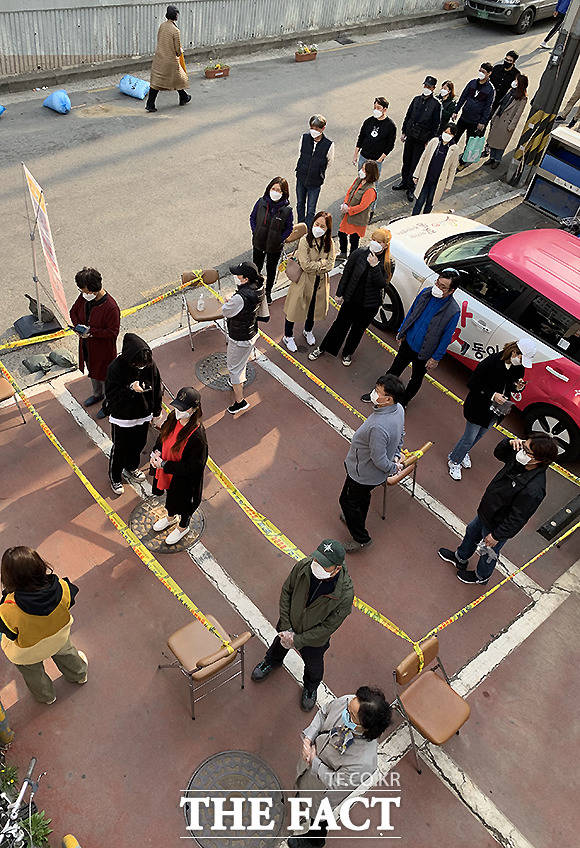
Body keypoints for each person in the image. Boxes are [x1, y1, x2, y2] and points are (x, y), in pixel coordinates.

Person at [438, 434, 559, 584]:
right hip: (487, 512)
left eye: (526, 450)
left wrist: (497, 535)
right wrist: (508, 443)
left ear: (539, 459)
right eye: (523, 445)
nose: (521, 451)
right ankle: (460, 557)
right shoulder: (519, 460)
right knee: (471, 532)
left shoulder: (534, 489)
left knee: (489, 553)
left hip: (497, 525)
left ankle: (481, 577)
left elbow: (518, 517)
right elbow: (499, 453)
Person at [251, 540, 354, 712]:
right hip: (289, 624)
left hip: (314, 640)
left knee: (314, 666)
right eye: (317, 560)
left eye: (324, 564)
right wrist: (286, 625)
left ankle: (310, 687)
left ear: (337, 568)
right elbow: (287, 591)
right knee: (279, 645)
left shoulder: (344, 595)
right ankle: (270, 661)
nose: (317, 565)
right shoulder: (304, 566)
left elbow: (328, 627)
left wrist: (298, 640)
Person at [287, 686, 392, 848]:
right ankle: (301, 801)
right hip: (309, 769)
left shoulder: (364, 762)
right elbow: (324, 713)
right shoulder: (350, 703)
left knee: (319, 819)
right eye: (350, 705)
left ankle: (314, 841)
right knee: (302, 788)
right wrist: (309, 737)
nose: (346, 710)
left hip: (322, 791)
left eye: (351, 715)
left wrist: (313, 761)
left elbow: (336, 782)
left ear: (367, 727)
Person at [0, 546, 88, 704]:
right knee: (67, 652)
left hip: (28, 652)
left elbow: (10, 634)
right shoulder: (63, 586)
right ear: (40, 566)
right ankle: (79, 674)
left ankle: (46, 696)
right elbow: (69, 602)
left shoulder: (6, 610)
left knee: (32, 672)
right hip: (58, 638)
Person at [361, 269, 460, 407]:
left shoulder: (453, 311)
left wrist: (436, 358)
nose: (438, 287)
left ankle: (402, 403)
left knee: (416, 379)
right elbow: (412, 312)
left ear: (451, 291)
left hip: (425, 352)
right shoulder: (426, 293)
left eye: (443, 287)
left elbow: (446, 337)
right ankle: (377, 395)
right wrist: (402, 331)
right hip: (409, 342)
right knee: (393, 371)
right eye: (438, 282)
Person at [447, 339, 535, 481]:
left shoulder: (519, 367)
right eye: (521, 358)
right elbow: (473, 383)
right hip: (479, 406)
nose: (521, 362)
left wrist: (518, 387)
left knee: (479, 435)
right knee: (469, 437)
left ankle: (463, 452)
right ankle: (454, 459)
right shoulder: (492, 362)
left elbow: (512, 385)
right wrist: (493, 395)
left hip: (496, 410)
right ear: (514, 352)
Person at [308, 228, 393, 367]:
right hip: (352, 299)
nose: (375, 243)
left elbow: (382, 284)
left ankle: (347, 353)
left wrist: (375, 266)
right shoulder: (359, 253)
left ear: (385, 245)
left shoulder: (388, 263)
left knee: (358, 330)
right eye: (373, 239)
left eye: (379, 242)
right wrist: (340, 293)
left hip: (369, 305)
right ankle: (324, 348)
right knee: (339, 325)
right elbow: (346, 274)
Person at [340, 375, 405, 553]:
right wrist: (397, 454)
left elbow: (379, 460)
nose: (374, 394)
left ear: (388, 399)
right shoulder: (398, 409)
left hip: (362, 473)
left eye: (378, 392)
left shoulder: (378, 426)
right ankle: (354, 517)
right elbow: (401, 434)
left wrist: (394, 468)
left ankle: (361, 537)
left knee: (346, 501)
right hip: (368, 474)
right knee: (362, 497)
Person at [105, 333, 163, 495]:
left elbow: (157, 388)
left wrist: (156, 412)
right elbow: (111, 397)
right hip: (122, 418)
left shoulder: (149, 365)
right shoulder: (115, 369)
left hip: (143, 414)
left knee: (139, 443)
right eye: (139, 365)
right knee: (120, 448)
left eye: (144, 365)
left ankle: (131, 467)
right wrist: (130, 389)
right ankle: (115, 476)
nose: (142, 368)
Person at [150, 386, 208, 545]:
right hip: (167, 470)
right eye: (177, 406)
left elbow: (194, 468)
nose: (178, 411)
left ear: (194, 409)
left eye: (183, 408)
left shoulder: (197, 436)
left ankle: (183, 527)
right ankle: (170, 518)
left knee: (184, 503)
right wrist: (155, 452)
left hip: (183, 479)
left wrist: (164, 464)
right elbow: (162, 437)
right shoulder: (172, 417)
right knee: (171, 496)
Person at [69, 267, 120, 419]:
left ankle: (109, 404)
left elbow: (113, 332)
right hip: (87, 347)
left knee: (107, 378)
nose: (83, 293)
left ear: (93, 290)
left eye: (84, 290)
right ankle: (97, 395)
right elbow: (73, 312)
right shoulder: (84, 298)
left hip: (103, 351)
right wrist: (79, 328)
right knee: (93, 372)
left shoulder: (111, 308)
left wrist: (91, 332)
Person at [283, 212, 336, 352]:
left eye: (322, 226)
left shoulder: (330, 243)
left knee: (313, 309)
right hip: (303, 281)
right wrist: (321, 265)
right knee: (293, 310)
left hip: (319, 283)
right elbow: (305, 265)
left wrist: (318, 265)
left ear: (327, 229)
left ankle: (308, 330)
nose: (318, 228)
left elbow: (331, 264)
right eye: (316, 224)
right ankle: (288, 336)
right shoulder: (305, 240)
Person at [222, 262, 268, 414]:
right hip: (252, 332)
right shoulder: (259, 287)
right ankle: (237, 382)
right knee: (240, 364)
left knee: (234, 369)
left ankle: (240, 402)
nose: (236, 276)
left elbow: (226, 311)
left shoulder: (240, 298)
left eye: (239, 275)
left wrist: (228, 299)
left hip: (240, 337)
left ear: (246, 279)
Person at [393, 75, 441, 203]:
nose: (426, 88)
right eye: (425, 85)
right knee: (406, 161)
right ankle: (404, 182)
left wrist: (429, 141)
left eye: (429, 86)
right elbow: (408, 116)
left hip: (422, 139)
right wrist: (404, 131)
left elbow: (436, 125)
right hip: (410, 136)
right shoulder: (416, 100)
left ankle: (411, 187)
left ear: (433, 88)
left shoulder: (436, 104)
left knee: (415, 164)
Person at [250, 177, 294, 303]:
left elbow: (289, 227)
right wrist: (255, 231)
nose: (275, 192)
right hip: (259, 242)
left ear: (283, 193)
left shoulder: (287, 210)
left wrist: (280, 239)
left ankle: (268, 292)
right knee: (256, 268)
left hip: (274, 247)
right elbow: (252, 217)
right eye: (273, 188)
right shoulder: (261, 202)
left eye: (278, 190)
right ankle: (255, 289)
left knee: (271, 270)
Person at [352, 97, 396, 217]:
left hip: (376, 161)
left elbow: (390, 145)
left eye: (379, 108)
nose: (375, 110)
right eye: (374, 107)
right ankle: (358, 204)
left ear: (385, 109)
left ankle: (370, 210)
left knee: (373, 186)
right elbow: (360, 138)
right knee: (361, 181)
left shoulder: (390, 125)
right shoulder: (368, 121)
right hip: (363, 157)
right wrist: (356, 154)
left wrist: (379, 160)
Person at [145, 5, 191, 112]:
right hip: (170, 61)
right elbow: (177, 49)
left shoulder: (162, 26)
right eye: (177, 14)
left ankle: (150, 104)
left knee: (156, 82)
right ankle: (183, 97)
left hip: (159, 59)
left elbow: (160, 41)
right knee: (179, 79)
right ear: (175, 15)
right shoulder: (175, 30)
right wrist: (180, 53)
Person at [295, 115, 335, 228]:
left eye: (317, 129)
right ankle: (300, 227)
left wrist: (318, 171)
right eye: (312, 128)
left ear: (323, 129)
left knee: (311, 209)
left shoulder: (329, 144)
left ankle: (307, 230)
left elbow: (329, 162)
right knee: (300, 205)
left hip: (315, 181)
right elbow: (300, 154)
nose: (314, 131)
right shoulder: (304, 138)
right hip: (301, 178)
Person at [412, 124, 460, 215]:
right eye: (445, 132)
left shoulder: (454, 148)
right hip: (426, 178)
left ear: (453, 135)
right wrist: (416, 174)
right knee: (419, 202)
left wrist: (448, 185)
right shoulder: (434, 141)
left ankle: (425, 220)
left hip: (437, 182)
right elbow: (423, 157)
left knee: (430, 203)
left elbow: (452, 168)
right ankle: (413, 219)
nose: (446, 135)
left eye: (450, 133)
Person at [452, 63, 495, 165]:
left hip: (475, 121)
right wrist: (456, 111)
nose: (480, 73)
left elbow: (488, 107)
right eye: (480, 71)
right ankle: (449, 156)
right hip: (464, 117)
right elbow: (463, 97)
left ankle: (463, 162)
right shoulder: (472, 83)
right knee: (454, 138)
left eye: (483, 72)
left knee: (469, 143)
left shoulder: (490, 89)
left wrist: (482, 122)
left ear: (489, 73)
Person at [337, 159, 380, 260]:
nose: (361, 170)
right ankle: (343, 252)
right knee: (341, 233)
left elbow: (362, 206)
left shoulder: (370, 190)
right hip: (348, 214)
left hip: (357, 218)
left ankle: (352, 258)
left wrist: (348, 209)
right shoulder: (359, 180)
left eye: (364, 170)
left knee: (354, 239)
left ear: (369, 173)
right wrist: (345, 203)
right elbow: (350, 191)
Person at [486, 75, 528, 169]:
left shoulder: (522, 98)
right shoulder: (511, 91)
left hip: (506, 123)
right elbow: (501, 104)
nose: (514, 82)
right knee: (493, 140)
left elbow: (518, 114)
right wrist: (494, 116)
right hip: (498, 117)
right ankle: (491, 157)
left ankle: (497, 159)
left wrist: (511, 126)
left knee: (500, 143)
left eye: (516, 81)